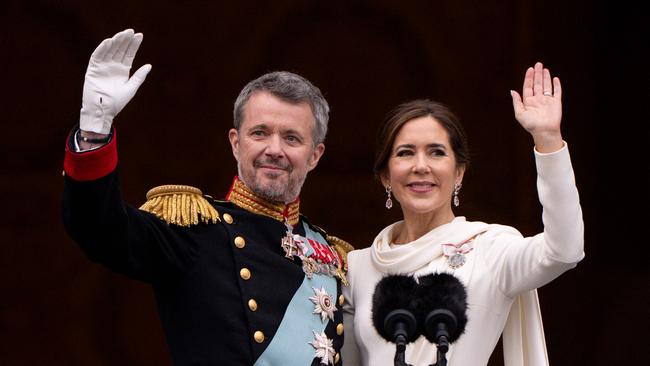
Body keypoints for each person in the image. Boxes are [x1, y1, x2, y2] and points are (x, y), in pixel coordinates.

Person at [62, 29, 353, 366]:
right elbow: (98, 228)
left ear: (315, 155)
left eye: (291, 138)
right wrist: (95, 130)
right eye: (260, 133)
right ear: (235, 142)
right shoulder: (194, 230)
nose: (274, 150)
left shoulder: (335, 259)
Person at [341, 62, 584, 366]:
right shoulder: (356, 266)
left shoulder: (491, 249)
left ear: (459, 173)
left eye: (436, 152)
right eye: (405, 153)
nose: (421, 166)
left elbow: (564, 251)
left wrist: (548, 140)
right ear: (386, 176)